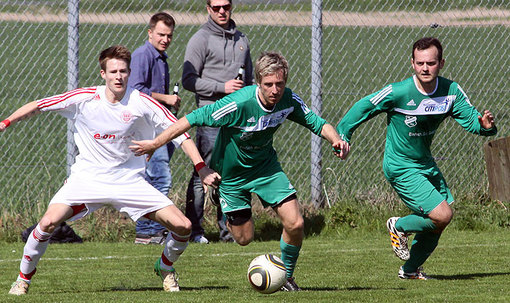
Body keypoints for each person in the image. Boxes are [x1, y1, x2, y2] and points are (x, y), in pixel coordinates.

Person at [2, 45, 220, 295]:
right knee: (48, 222)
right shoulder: (84, 98)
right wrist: (5, 122)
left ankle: (165, 268)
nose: (119, 76)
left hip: (129, 182)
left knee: (183, 226)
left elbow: (180, 131)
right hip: (87, 180)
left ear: (129, 73)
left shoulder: (142, 102)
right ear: (102, 74)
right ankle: (22, 280)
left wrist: (202, 168)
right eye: (113, 71)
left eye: (124, 71)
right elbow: (39, 105)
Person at [131, 52, 350, 291]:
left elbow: (317, 123)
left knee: (296, 224)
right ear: (258, 82)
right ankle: (220, 197)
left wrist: (336, 140)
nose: (275, 90)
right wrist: (155, 143)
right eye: (268, 85)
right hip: (232, 177)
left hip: (266, 169)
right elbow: (191, 119)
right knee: (245, 239)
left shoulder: (288, 99)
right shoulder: (238, 103)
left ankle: (286, 276)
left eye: (280, 84)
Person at [336, 37, 497, 280]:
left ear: (441, 63)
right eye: (420, 62)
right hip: (400, 165)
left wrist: (484, 126)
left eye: (430, 63)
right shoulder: (399, 92)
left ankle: (410, 270)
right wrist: (343, 135)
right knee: (442, 214)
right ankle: (398, 226)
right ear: (412, 63)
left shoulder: (450, 92)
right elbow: (364, 106)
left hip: (425, 164)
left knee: (438, 222)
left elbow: (471, 119)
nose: (425, 68)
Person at [181, 0, 253, 243]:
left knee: (231, 175)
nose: (222, 11)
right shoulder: (199, 39)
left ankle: (229, 231)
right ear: (208, 9)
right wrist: (221, 87)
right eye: (216, 7)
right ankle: (193, 230)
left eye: (226, 6)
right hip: (210, 118)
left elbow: (250, 80)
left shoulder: (242, 39)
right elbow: (189, 80)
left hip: (236, 120)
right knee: (203, 174)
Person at [128, 12, 181, 245]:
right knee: (160, 177)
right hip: (148, 128)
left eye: (169, 35)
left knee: (155, 177)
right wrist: (166, 99)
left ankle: (151, 230)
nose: (165, 39)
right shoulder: (143, 55)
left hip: (160, 126)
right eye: (161, 34)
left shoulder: (161, 57)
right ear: (150, 33)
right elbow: (136, 90)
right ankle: (148, 231)